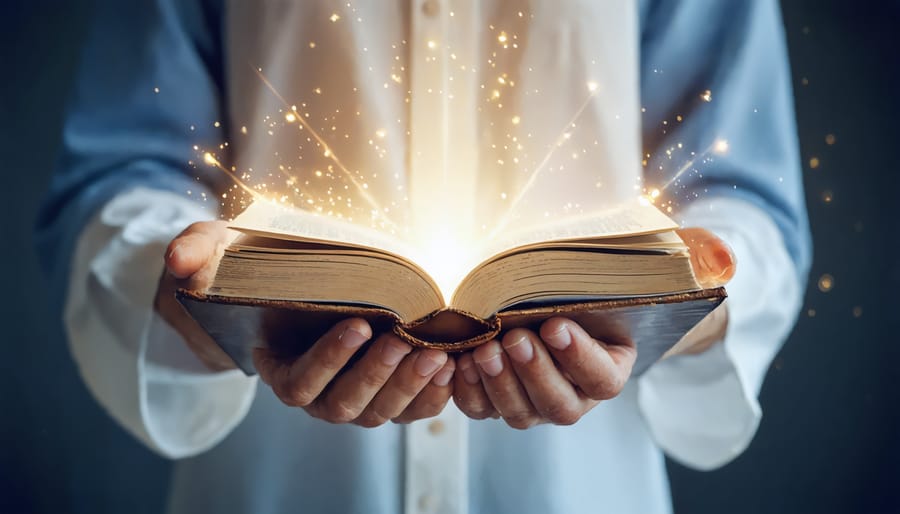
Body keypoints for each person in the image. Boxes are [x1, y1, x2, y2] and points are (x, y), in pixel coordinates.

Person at [36, 1, 810, 513]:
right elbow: (122, 174)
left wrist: (677, 301)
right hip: (276, 478)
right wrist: (194, 295)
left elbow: (740, 194)